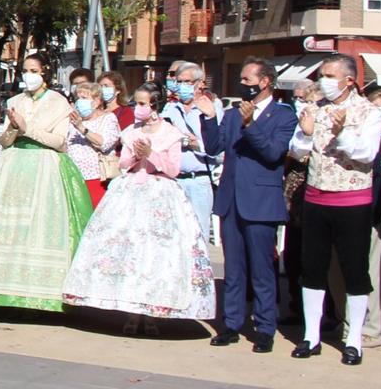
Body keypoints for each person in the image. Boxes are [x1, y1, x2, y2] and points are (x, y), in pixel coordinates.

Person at [0, 51, 93, 312]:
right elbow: (3, 141)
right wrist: (14, 128)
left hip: (45, 168)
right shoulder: (15, 100)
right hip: (12, 165)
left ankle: (38, 295)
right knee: (4, 227)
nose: (28, 75)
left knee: (39, 228)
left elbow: (60, 142)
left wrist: (28, 129)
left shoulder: (59, 102)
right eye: (25, 70)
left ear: (45, 72)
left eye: (33, 71)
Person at [64, 84, 216, 329]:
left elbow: (173, 168)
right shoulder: (131, 131)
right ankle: (132, 312)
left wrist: (152, 153)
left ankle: (153, 314)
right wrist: (137, 155)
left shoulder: (170, 133)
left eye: (143, 104)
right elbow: (124, 163)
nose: (138, 108)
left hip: (160, 192)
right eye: (136, 103)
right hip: (132, 189)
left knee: (156, 253)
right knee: (130, 251)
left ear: (155, 106)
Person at [285, 53, 381, 364]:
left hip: (352, 199)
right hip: (316, 197)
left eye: (330, 76)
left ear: (349, 80)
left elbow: (366, 154)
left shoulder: (369, 112)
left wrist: (343, 132)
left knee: (354, 269)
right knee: (312, 269)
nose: (323, 82)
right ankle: (311, 335)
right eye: (322, 76)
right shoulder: (315, 109)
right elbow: (298, 151)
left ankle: (354, 338)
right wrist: (304, 131)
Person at [199, 57, 297, 351]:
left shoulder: (283, 115)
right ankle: (231, 323)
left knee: (262, 269)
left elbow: (273, 153)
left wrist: (250, 124)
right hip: (231, 200)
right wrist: (208, 118)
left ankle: (265, 327)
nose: (243, 85)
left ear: (265, 82)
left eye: (247, 80)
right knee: (234, 269)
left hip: (261, 201)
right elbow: (215, 147)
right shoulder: (231, 115)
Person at [161, 61, 218, 243]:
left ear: (199, 83)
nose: (181, 86)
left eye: (187, 82)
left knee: (197, 234)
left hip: (198, 180)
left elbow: (218, 150)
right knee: (173, 235)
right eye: (179, 82)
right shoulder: (170, 109)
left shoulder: (211, 108)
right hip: (174, 179)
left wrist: (196, 144)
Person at [65, 78, 122, 208]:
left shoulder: (108, 118)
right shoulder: (73, 120)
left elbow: (104, 143)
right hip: (74, 178)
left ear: (96, 102)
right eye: (78, 98)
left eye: (84, 98)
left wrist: (82, 128)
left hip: (97, 179)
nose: (80, 102)